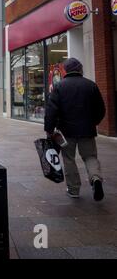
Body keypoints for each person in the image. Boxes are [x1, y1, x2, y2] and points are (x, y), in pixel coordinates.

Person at [44, 58, 106, 201]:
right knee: (90, 157)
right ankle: (96, 178)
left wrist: (49, 129)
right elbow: (101, 109)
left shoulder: (59, 86)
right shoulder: (91, 85)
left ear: (65, 70)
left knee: (69, 159)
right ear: (80, 69)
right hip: (87, 130)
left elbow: (51, 110)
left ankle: (73, 189)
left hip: (66, 132)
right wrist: (93, 122)